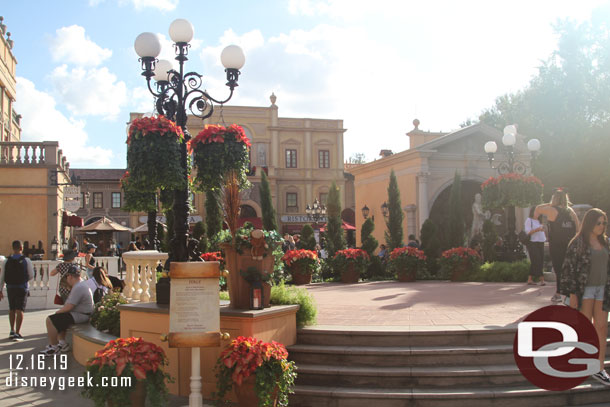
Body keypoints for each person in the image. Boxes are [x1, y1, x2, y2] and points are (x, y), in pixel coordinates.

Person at [560, 208, 610, 385]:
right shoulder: (578, 243)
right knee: (585, 329)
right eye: (599, 223)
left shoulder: (606, 243)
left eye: (604, 222)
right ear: (590, 223)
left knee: (602, 328)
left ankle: (599, 368)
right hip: (585, 291)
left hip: (603, 291)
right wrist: (572, 293)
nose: (602, 226)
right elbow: (568, 269)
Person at [535, 188, 579, 302]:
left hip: (556, 244)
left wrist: (551, 203)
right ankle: (571, 294)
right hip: (569, 244)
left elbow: (538, 208)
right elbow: (578, 228)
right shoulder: (571, 211)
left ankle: (558, 293)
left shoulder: (552, 210)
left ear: (554, 198)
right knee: (569, 269)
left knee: (559, 269)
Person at [39, 264, 94, 356]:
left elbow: (69, 307)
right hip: (81, 313)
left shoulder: (78, 287)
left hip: (82, 315)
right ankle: (62, 344)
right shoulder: (80, 284)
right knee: (59, 319)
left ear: (70, 276)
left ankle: (54, 347)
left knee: (50, 320)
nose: (66, 279)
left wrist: (57, 313)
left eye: (67, 277)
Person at [0, 241, 34, 341]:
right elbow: (31, 275)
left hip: (10, 287)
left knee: (12, 309)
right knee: (20, 309)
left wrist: (0, 289)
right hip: (22, 287)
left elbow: (2, 277)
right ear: (21, 248)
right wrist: (23, 280)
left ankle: (11, 330)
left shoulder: (6, 261)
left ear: (13, 248)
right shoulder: (26, 260)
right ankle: (18, 332)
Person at [525, 206, 546, 286]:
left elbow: (541, 231)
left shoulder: (539, 221)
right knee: (537, 260)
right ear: (532, 212)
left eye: (539, 212)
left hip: (541, 241)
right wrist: (537, 229)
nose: (537, 213)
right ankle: (542, 279)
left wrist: (542, 229)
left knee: (537, 261)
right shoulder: (529, 220)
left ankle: (530, 279)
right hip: (532, 242)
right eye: (536, 211)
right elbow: (528, 232)